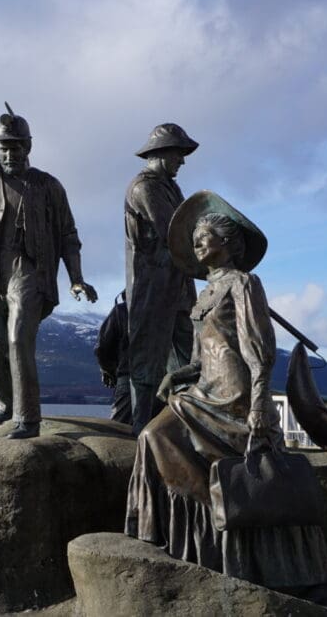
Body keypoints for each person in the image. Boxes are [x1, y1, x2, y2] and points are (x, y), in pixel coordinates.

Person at [125, 191, 327, 602]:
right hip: (202, 390)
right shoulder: (203, 293)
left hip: (234, 395)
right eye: (195, 239)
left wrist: (258, 403)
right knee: (152, 436)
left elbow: (259, 349)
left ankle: (228, 540)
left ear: (227, 243)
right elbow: (198, 358)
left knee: (207, 457)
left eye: (205, 236)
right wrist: (175, 376)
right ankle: (196, 540)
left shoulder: (243, 283)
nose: (197, 243)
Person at [0, 103, 97, 439]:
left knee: (17, 338)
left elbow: (68, 235)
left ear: (28, 147)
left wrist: (76, 278)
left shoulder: (48, 186)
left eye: (16, 146)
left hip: (30, 271)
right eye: (3, 147)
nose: (9, 153)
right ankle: (6, 403)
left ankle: (28, 418)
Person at [125, 123, 199, 434]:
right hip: (153, 289)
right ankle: (140, 425)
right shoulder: (144, 188)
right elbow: (174, 232)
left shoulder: (171, 188)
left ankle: (188, 426)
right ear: (160, 153)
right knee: (148, 359)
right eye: (177, 154)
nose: (182, 161)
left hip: (179, 287)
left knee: (190, 359)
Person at [94, 291, 131, 425]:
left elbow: (101, 348)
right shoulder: (166, 309)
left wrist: (108, 371)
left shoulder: (121, 311)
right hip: (164, 382)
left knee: (117, 428)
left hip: (128, 378)